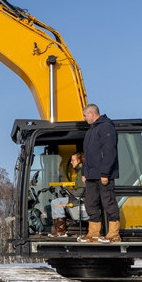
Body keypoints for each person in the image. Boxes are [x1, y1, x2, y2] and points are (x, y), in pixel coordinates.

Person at [78, 104, 121, 243]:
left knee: (108, 202)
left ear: (92, 113)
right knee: (90, 203)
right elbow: (88, 155)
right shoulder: (91, 131)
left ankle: (114, 234)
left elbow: (110, 152)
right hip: (91, 175)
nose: (84, 119)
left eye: (85, 115)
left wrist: (105, 173)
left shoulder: (106, 127)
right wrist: (84, 172)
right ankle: (94, 233)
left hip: (103, 175)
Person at [48, 152, 84, 237]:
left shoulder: (83, 173)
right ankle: (57, 229)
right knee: (54, 202)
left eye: (73, 160)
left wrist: (68, 190)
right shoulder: (79, 172)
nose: (71, 162)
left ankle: (61, 231)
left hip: (81, 199)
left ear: (79, 160)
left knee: (57, 203)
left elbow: (82, 191)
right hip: (77, 197)